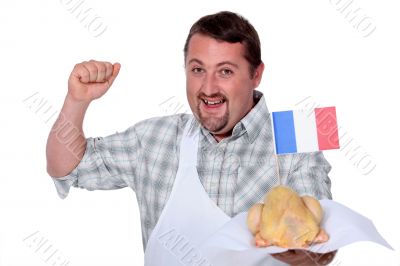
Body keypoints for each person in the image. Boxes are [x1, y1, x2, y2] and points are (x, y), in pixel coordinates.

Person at [47, 11, 337, 265]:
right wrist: (77, 100)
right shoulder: (155, 138)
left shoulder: (297, 134)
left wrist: (306, 250)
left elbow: (321, 244)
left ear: (256, 74)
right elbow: (65, 167)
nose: (208, 88)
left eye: (225, 71)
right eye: (198, 70)